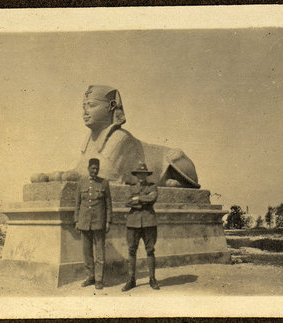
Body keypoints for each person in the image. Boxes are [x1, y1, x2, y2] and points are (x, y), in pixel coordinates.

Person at [31, 85, 201, 188]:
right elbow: (80, 170)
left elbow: (108, 173)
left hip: (169, 165)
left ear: (110, 107)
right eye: (84, 107)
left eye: (91, 106)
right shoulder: (90, 139)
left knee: (174, 156)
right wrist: (55, 176)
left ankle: (183, 182)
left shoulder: (120, 137)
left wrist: (70, 176)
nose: (85, 112)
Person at [74, 158, 112, 290]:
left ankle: (99, 279)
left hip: (99, 222)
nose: (95, 171)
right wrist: (77, 221)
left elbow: (108, 204)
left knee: (100, 253)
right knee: (87, 252)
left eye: (97, 169)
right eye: (93, 168)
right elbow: (77, 204)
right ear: (88, 168)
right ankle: (90, 277)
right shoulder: (81, 182)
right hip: (84, 222)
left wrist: (108, 221)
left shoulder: (104, 183)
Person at [122, 161, 160, 292]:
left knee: (150, 250)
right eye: (139, 174)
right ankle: (131, 280)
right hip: (133, 223)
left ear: (146, 175)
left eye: (143, 174)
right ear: (136, 175)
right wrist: (143, 199)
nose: (141, 176)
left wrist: (136, 199)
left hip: (149, 222)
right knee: (131, 250)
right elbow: (126, 202)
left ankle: (152, 279)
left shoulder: (153, 186)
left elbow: (153, 198)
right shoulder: (131, 188)